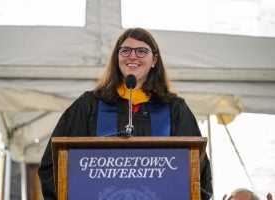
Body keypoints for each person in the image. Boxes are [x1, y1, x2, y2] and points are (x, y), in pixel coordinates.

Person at [38, 27, 213, 199]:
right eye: (126, 50)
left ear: (155, 60)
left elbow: (198, 169)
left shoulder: (175, 109)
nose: (133, 56)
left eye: (142, 51)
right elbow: (53, 166)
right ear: (117, 58)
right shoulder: (89, 105)